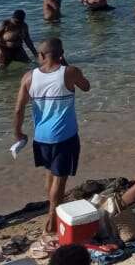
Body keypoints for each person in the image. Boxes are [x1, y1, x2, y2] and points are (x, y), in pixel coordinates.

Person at [13, 38, 91, 235]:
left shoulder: (28, 77)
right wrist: (65, 64)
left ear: (40, 55)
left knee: (49, 172)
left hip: (41, 137)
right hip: (64, 136)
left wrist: (18, 132)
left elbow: (18, 109)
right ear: (61, 54)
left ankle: (52, 207)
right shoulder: (70, 72)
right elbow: (86, 86)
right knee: (59, 179)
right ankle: (52, 216)